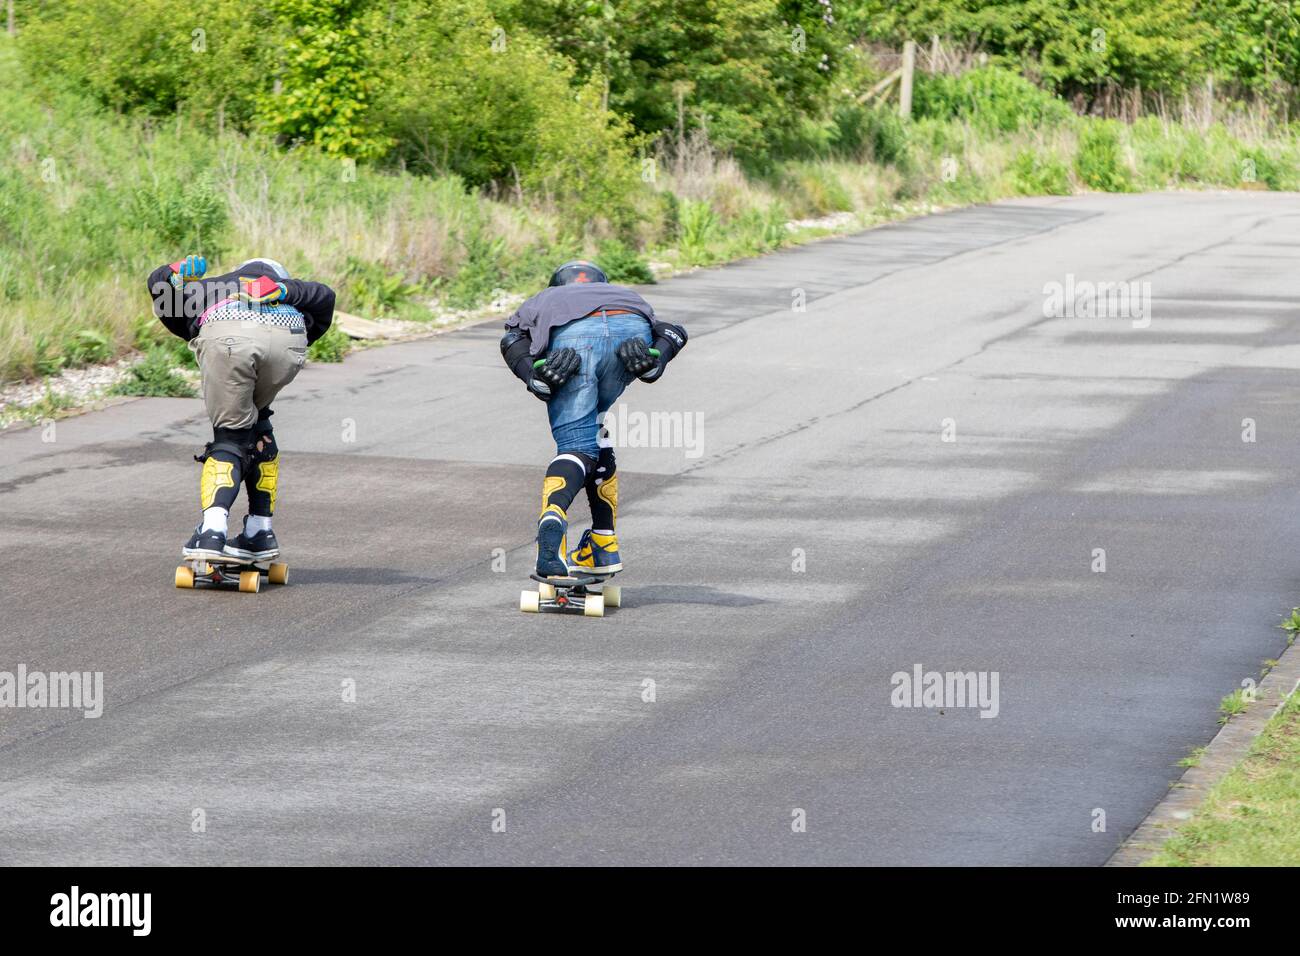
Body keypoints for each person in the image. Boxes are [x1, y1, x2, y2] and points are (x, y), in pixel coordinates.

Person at [500, 259, 687, 578]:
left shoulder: (547, 298)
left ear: (557, 283)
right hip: (632, 335)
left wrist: (532, 375)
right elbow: (673, 331)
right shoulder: (621, 292)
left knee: (576, 445)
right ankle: (603, 543)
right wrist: (658, 360)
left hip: (575, 343)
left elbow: (511, 340)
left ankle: (554, 518)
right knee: (595, 434)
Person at [146, 255, 336, 561]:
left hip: (230, 336)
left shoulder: (212, 288)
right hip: (289, 341)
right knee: (257, 422)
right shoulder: (292, 292)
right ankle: (259, 531)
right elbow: (326, 296)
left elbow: (160, 293)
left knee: (230, 438)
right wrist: (285, 292)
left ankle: (212, 532)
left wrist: (169, 273)